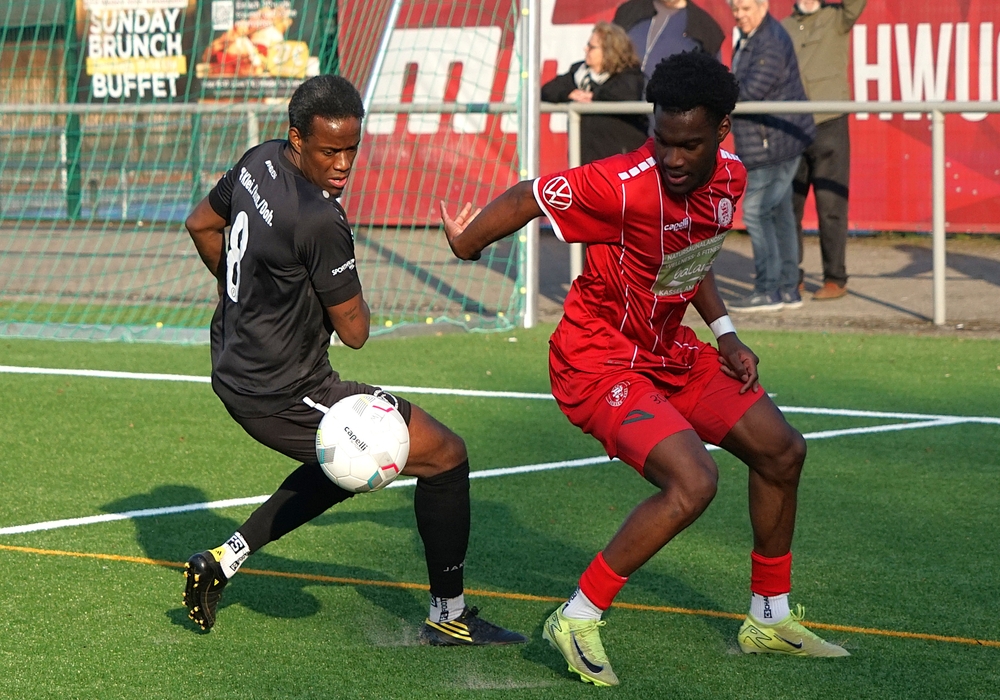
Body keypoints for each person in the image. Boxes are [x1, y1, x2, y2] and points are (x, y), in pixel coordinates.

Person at [440, 51, 848, 687]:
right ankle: (577, 615)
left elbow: (692, 255)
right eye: (663, 140)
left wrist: (726, 334)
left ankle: (768, 618)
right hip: (596, 360)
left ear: (722, 131)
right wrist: (466, 244)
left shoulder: (732, 178)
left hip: (666, 351)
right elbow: (528, 195)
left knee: (782, 450)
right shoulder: (621, 184)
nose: (674, 158)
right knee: (694, 481)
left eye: (690, 144)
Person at [181, 74, 526, 647]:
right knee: (445, 456)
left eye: (352, 149)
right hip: (283, 388)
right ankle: (450, 616)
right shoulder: (320, 217)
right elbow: (356, 331)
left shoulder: (257, 159)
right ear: (297, 139)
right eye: (329, 151)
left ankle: (224, 559)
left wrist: (245, 293)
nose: (343, 165)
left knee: (350, 462)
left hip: (235, 361)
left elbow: (201, 224)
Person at [728, 0, 816, 313]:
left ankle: (769, 290)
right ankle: (788, 289)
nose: (740, 15)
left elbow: (751, 90)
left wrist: (715, 92)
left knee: (755, 211)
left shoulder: (769, 40)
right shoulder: (754, 37)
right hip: (771, 139)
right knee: (779, 212)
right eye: (736, 9)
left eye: (746, 8)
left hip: (775, 142)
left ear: (763, 7)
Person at [783, 0, 867, 300]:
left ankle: (835, 278)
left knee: (831, 205)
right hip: (791, 126)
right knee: (789, 206)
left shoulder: (836, 17)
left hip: (829, 123)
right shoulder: (783, 28)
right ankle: (791, 275)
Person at [541, 21, 648, 164]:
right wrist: (568, 93)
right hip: (586, 163)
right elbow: (547, 90)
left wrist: (594, 96)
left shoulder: (630, 74)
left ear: (609, 51)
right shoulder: (579, 73)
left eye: (591, 47)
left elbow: (626, 93)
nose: (585, 49)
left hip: (621, 163)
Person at [612, 0, 725, 80]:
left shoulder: (705, 27)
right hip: (621, 101)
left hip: (671, 104)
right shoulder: (629, 11)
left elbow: (714, 81)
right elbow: (607, 52)